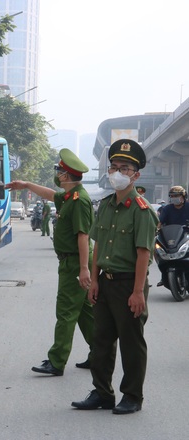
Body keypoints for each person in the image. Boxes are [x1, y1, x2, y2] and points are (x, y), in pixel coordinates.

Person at [71, 139, 157, 415]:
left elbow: (143, 254)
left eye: (125, 168)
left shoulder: (142, 211)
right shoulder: (106, 205)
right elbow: (97, 248)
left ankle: (132, 396)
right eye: (114, 167)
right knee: (101, 341)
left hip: (128, 284)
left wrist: (137, 292)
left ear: (136, 174)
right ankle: (102, 393)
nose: (117, 172)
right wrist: (93, 281)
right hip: (104, 284)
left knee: (131, 343)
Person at [5, 148, 94, 376]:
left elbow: (83, 236)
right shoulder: (69, 196)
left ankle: (56, 361)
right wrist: (26, 185)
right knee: (85, 313)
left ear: (65, 175)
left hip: (75, 263)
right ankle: (100, 353)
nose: (57, 174)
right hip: (73, 262)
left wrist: (84, 269)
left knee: (65, 312)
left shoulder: (80, 201)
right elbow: (48, 194)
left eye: (59, 171)